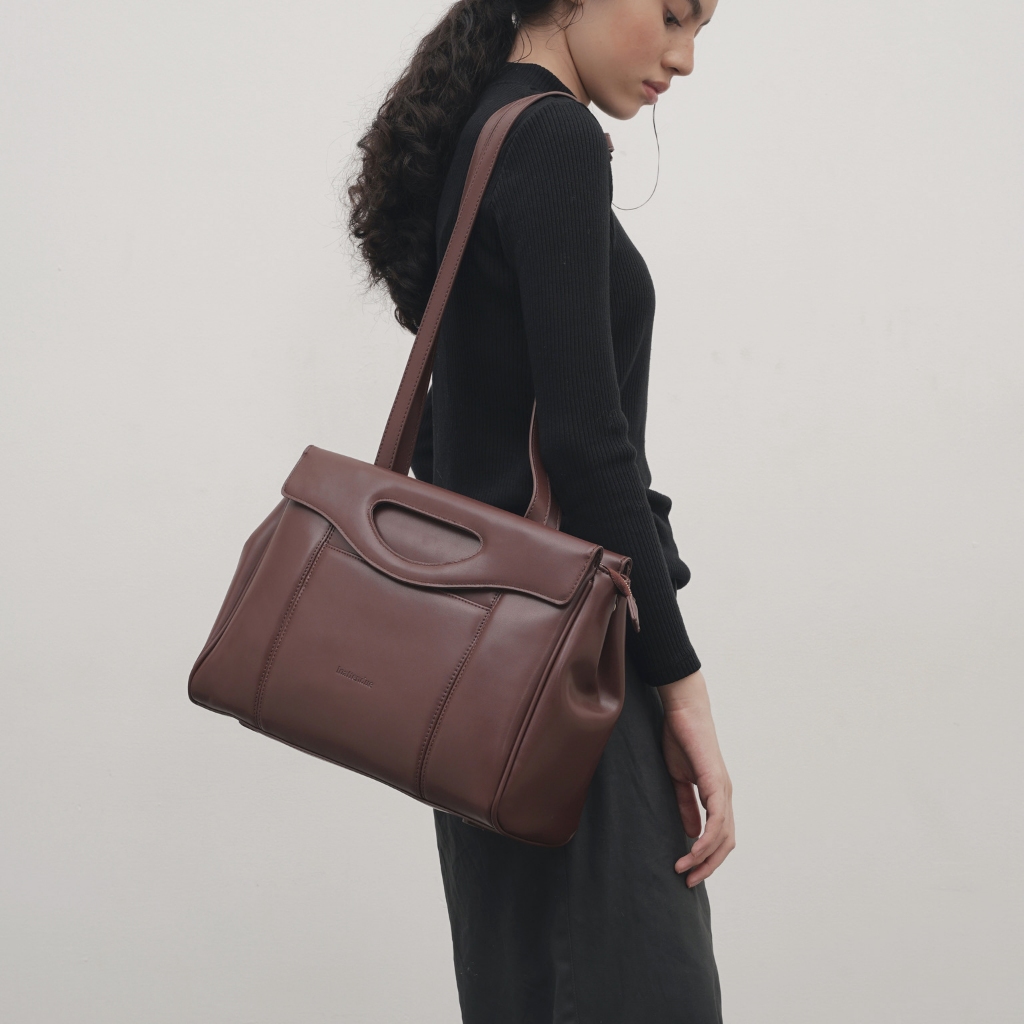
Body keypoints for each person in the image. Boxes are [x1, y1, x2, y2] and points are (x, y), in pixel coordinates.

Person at [347, 1, 735, 1020]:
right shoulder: (553, 135)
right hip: (565, 680)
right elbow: (586, 445)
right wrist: (683, 688)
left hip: (480, 685)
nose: (684, 58)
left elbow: (456, 441)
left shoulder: (479, 127)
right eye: (673, 15)